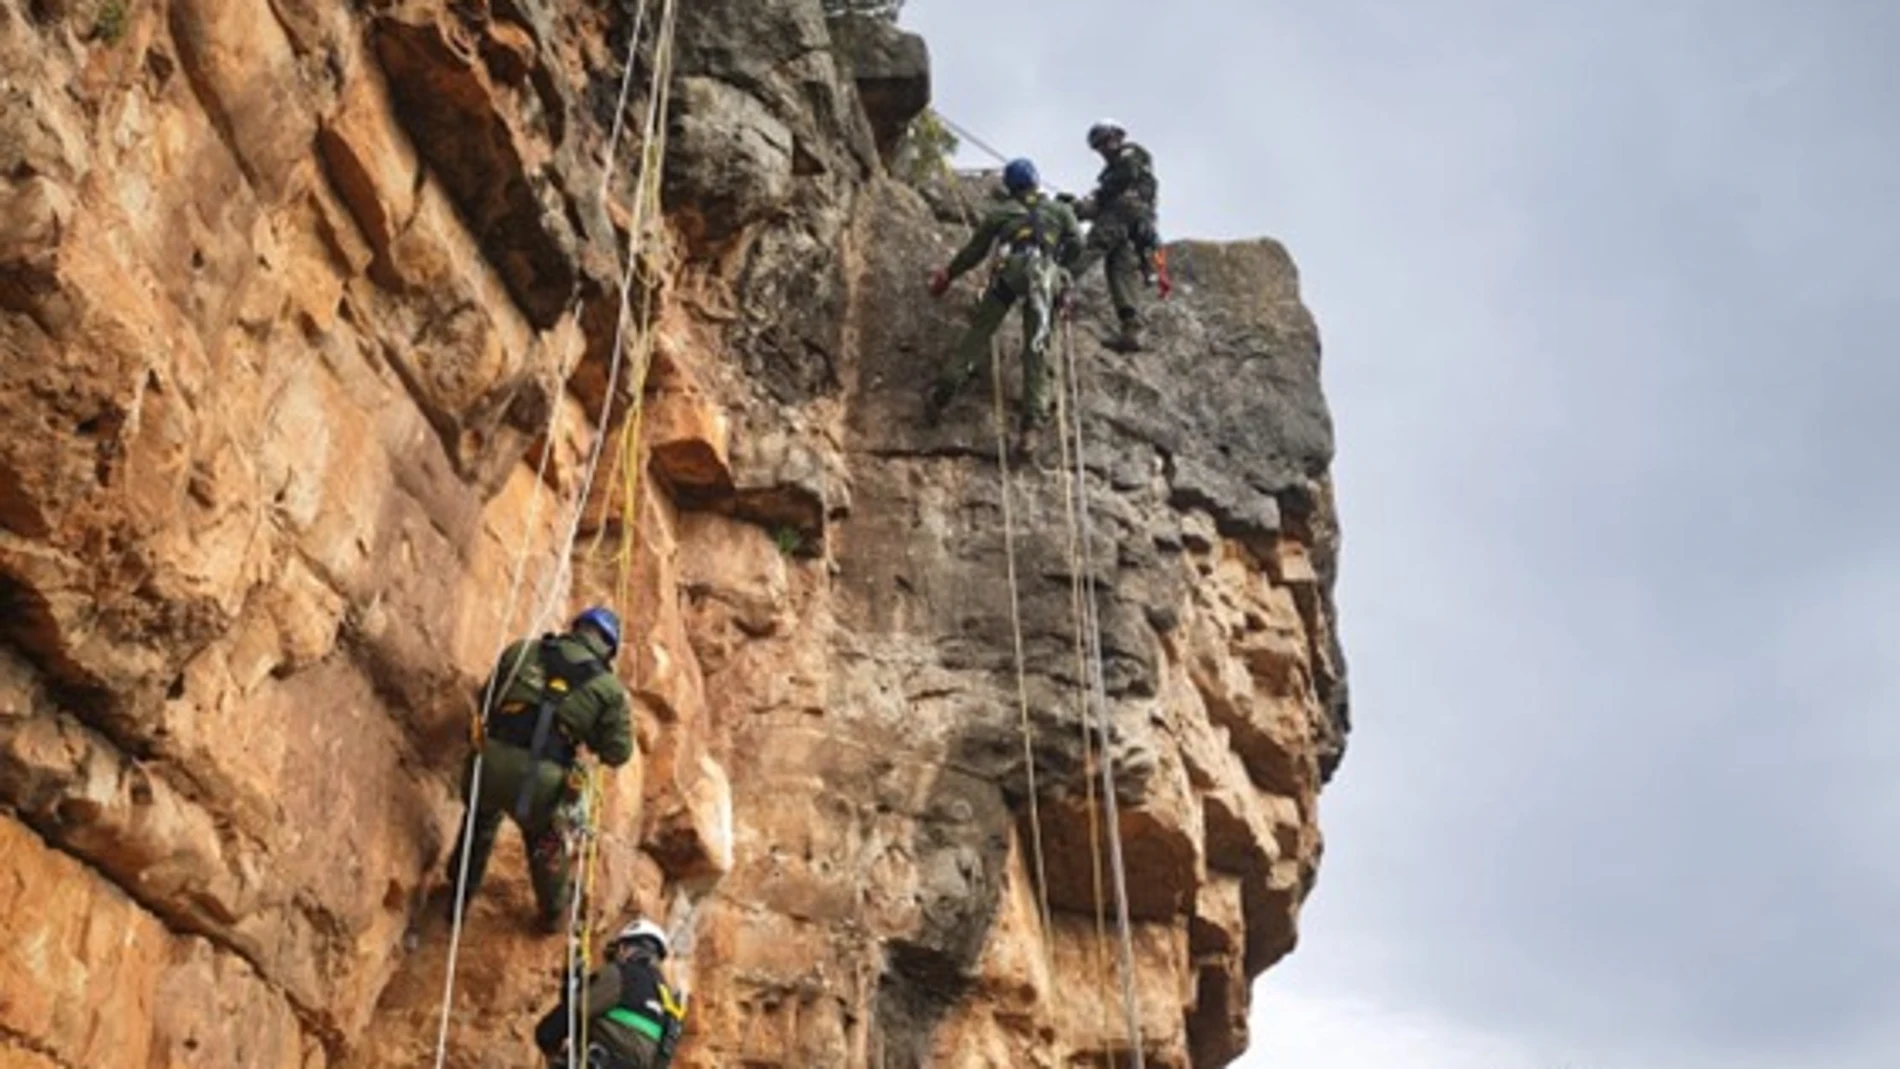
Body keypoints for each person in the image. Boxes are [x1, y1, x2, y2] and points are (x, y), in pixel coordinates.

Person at [444, 607, 635, 932]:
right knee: (545, 841)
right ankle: (552, 909)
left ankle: (458, 896)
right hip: (543, 782)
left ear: (576, 627)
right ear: (608, 648)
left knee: (480, 820)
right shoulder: (609, 689)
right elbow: (617, 753)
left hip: (491, 761)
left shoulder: (523, 650)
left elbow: (488, 698)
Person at [925, 156, 1083, 450]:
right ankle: (1030, 428)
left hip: (1009, 272)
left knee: (979, 334)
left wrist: (948, 274)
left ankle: (944, 392)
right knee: (1036, 349)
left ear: (1010, 187)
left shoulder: (1002, 212)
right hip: (1044, 276)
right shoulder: (1060, 210)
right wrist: (1059, 267)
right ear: (1036, 180)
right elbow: (1078, 244)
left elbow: (975, 250)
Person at [535, 918, 687, 1069]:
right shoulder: (668, 1000)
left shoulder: (621, 974)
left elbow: (577, 1010)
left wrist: (547, 1035)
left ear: (624, 948)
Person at [1066, 119, 1163, 352]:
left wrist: (1095, 198)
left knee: (1091, 248)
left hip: (1125, 214)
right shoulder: (1113, 172)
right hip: (1131, 222)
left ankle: (1056, 284)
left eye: (1105, 143)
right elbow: (1103, 200)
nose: (1103, 150)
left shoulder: (1131, 154)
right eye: (1098, 147)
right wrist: (1075, 208)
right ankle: (1130, 330)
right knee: (1118, 269)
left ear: (1117, 137)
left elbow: (1121, 181)